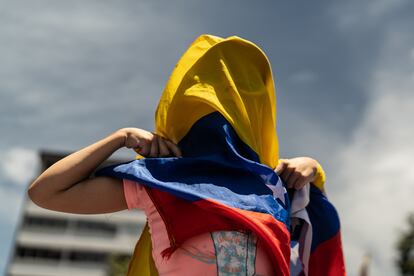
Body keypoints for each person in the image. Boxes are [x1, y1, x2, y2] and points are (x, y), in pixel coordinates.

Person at [28, 35, 344, 275]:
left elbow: (315, 248)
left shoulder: (275, 189)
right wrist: (119, 138)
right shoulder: (160, 181)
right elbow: (47, 192)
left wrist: (314, 173)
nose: (224, 102)